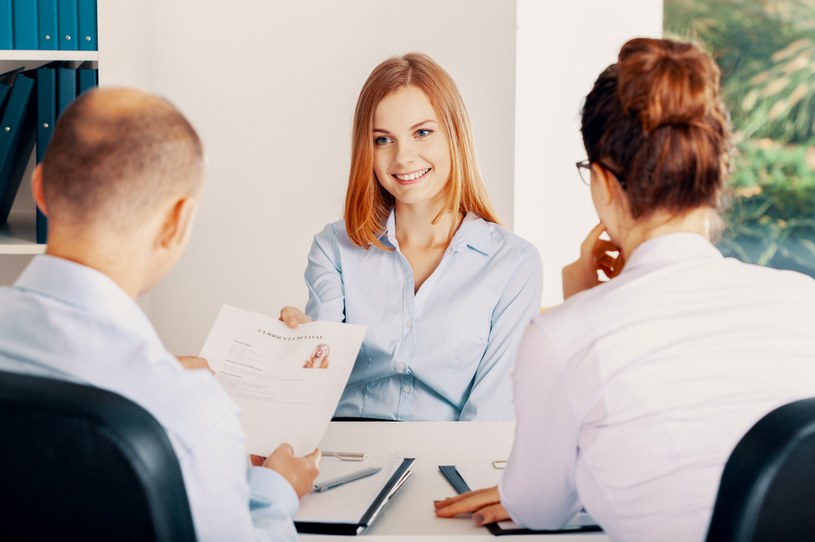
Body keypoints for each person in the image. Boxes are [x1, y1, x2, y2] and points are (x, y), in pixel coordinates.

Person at [434, 37, 815, 541]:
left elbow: (540, 509)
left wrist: (580, 310)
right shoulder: (802, 300)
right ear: (714, 179)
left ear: (604, 183)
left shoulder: (562, 336)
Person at [0, 88, 320, 542]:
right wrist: (277, 488)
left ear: (40, 189)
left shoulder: (168, 399)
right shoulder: (190, 412)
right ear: (177, 222)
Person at [281, 53, 542, 421]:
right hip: (345, 457)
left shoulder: (513, 264)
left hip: (456, 467)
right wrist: (300, 349)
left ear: (455, 134)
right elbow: (317, 386)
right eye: (383, 139)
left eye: (422, 132)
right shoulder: (333, 248)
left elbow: (491, 414)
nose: (403, 157)